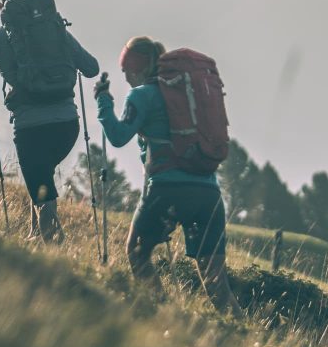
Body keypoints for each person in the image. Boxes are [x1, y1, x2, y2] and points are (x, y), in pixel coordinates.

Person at [94, 36, 242, 316]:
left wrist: (103, 102)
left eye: (126, 72)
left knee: (137, 254)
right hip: (208, 193)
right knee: (216, 284)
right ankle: (245, 341)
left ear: (136, 69)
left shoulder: (141, 95)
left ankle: (165, 320)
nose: (125, 78)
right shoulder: (188, 96)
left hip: (166, 190)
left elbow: (117, 136)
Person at [0, 0, 99, 242]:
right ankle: (37, 235)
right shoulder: (57, 32)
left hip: (31, 128)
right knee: (42, 177)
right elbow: (91, 67)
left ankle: (53, 245)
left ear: (2, 6)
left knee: (42, 185)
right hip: (68, 125)